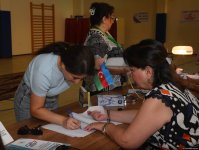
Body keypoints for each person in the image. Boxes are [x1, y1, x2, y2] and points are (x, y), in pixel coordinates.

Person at [85, 40, 199, 149]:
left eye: (132, 70)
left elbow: (127, 141)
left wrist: (105, 126)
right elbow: (146, 117)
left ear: (148, 72)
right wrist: (108, 114)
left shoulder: (160, 97)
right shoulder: (173, 85)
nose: (130, 74)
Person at [14, 42, 95, 130]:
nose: (76, 82)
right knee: (28, 131)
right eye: (74, 77)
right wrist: (63, 120)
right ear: (63, 66)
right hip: (29, 98)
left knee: (50, 132)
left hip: (51, 96)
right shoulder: (44, 70)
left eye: (81, 79)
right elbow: (36, 109)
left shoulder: (72, 63)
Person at [83, 2, 127, 95]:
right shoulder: (96, 37)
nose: (113, 20)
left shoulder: (104, 33)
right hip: (101, 86)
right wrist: (126, 69)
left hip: (110, 83)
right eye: (111, 17)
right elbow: (99, 66)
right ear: (104, 19)